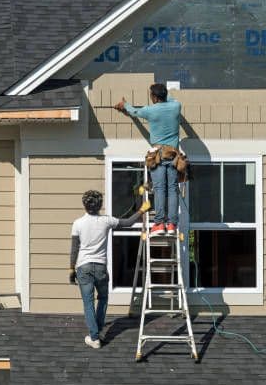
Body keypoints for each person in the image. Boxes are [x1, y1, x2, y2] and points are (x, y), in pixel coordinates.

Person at [69, 190, 150, 349]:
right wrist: (141, 210)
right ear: (100, 205)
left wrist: (71, 270)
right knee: (103, 298)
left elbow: (74, 249)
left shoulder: (78, 223)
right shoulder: (106, 221)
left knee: (88, 303)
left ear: (85, 205)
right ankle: (97, 331)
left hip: (83, 267)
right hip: (100, 267)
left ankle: (94, 337)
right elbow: (128, 223)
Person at [114, 83, 181, 238]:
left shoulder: (150, 110)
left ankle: (159, 223)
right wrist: (163, 94)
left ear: (154, 97)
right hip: (173, 155)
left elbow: (134, 111)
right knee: (172, 189)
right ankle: (171, 223)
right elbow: (170, 100)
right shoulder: (176, 106)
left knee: (159, 189)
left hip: (157, 154)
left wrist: (125, 104)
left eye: (151, 95)